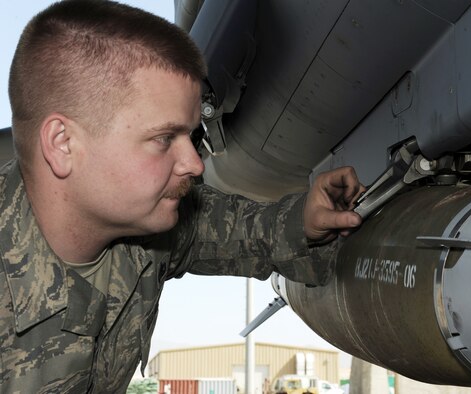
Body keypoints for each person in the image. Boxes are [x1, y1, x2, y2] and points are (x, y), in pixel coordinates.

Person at [1, 1, 364, 393]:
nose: (195, 164)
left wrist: (304, 221)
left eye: (190, 138)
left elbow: (231, 229)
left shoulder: (148, 231)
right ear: (63, 144)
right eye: (163, 139)